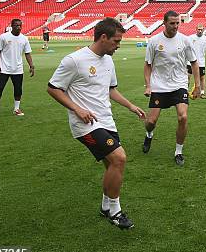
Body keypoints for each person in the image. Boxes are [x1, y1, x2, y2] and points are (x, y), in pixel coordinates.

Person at [47, 18, 146, 229]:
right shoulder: (74, 60)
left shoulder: (108, 60)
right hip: (85, 124)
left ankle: (104, 207)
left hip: (106, 120)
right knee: (119, 158)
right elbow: (54, 88)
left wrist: (130, 106)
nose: (118, 46)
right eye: (116, 41)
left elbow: (111, 90)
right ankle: (115, 212)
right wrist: (77, 108)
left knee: (111, 164)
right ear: (103, 37)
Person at [142, 11, 201, 166]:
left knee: (183, 117)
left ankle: (178, 152)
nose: (175, 26)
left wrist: (197, 86)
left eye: (177, 23)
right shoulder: (154, 41)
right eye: (172, 23)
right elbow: (148, 65)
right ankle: (149, 134)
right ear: (164, 23)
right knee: (151, 121)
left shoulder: (185, 40)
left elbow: (194, 62)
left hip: (179, 84)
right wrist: (148, 85)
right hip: (159, 86)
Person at [0, 18, 35, 119]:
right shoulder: (4, 37)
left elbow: (27, 53)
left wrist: (31, 65)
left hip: (18, 69)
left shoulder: (24, 39)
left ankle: (16, 109)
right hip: (4, 68)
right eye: (16, 25)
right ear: (12, 26)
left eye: (20, 25)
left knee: (18, 90)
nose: (18, 27)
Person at [187, 24, 206, 99]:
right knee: (188, 76)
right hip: (190, 61)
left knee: (202, 78)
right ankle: (185, 92)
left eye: (201, 29)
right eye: (199, 29)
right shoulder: (191, 37)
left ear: (203, 29)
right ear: (196, 29)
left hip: (201, 62)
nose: (200, 31)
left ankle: (202, 92)